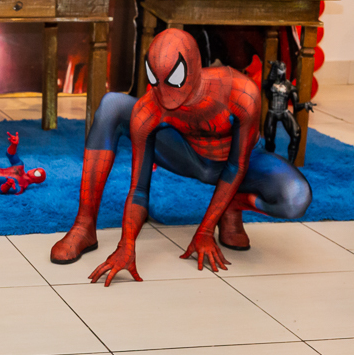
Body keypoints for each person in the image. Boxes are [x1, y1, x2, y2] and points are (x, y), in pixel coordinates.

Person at [50, 29, 311, 285]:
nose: (164, 94)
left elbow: (236, 165)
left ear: (195, 68)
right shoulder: (149, 107)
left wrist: (206, 228)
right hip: (189, 154)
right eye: (156, 81)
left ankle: (232, 205)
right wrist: (126, 245)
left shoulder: (239, 91)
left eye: (173, 79)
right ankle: (84, 225)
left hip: (241, 162)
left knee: (295, 198)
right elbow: (139, 190)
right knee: (112, 105)